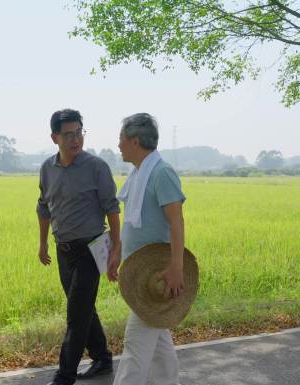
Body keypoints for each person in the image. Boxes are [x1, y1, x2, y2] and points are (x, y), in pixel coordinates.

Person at [37, 108, 122, 385]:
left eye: (79, 133)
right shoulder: (47, 168)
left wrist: (116, 249)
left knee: (76, 315)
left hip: (91, 249)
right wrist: (42, 244)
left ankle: (65, 376)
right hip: (63, 251)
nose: (76, 140)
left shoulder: (96, 167)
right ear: (54, 137)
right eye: (69, 134)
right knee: (84, 309)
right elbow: (44, 207)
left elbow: (112, 209)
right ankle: (102, 358)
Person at [110, 113, 186, 385]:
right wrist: (117, 250)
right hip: (140, 275)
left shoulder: (161, 173)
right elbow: (132, 222)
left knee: (135, 351)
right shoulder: (138, 174)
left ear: (135, 141)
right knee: (160, 352)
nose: (118, 145)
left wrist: (177, 267)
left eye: (121, 139)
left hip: (156, 275)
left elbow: (176, 222)